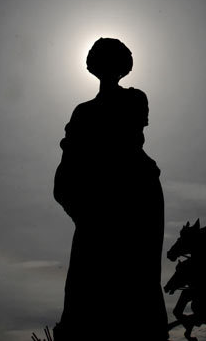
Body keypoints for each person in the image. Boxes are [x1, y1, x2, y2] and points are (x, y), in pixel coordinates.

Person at [53, 38, 168, 341]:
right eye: (102, 60)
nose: (108, 67)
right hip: (98, 201)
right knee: (86, 282)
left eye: (114, 60)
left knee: (138, 279)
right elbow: (70, 159)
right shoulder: (83, 112)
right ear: (93, 66)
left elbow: (125, 138)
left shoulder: (133, 99)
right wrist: (75, 200)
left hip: (133, 195)